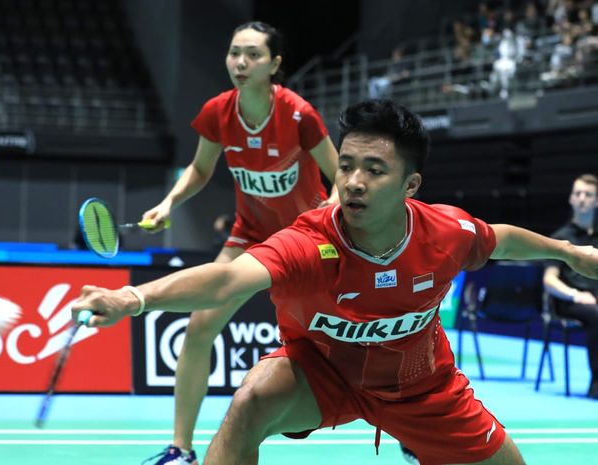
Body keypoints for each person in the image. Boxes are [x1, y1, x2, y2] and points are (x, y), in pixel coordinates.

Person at [73, 99, 598, 465]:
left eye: (374, 170)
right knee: (251, 399)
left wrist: (571, 253)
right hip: (324, 374)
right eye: (345, 166)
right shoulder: (311, 243)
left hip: (422, 385)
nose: (352, 182)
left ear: (410, 184)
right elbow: (228, 279)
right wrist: (133, 297)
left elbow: (500, 239)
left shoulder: (445, 231)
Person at [138, 21, 339, 465]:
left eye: (252, 54)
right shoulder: (218, 112)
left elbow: (339, 174)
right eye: (234, 53)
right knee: (197, 329)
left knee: (363, 331)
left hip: (308, 239)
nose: (240, 63)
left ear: (275, 64)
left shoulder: (298, 114)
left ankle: (408, 424)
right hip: (249, 236)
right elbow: (200, 169)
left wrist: (334, 221)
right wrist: (169, 202)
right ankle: (181, 448)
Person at [543, 173, 598, 399]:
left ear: (596, 201)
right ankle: (597, 382)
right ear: (571, 200)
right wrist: (575, 295)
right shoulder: (561, 239)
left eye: (588, 194)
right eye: (578, 193)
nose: (582, 198)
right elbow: (549, 280)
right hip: (568, 301)